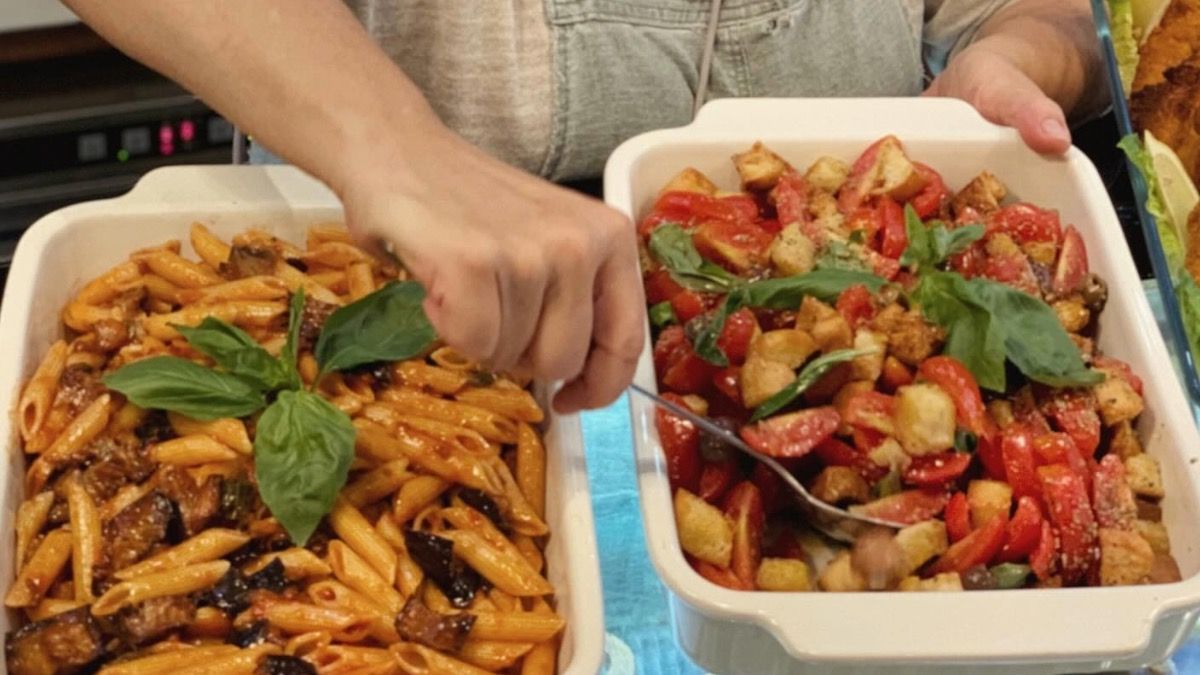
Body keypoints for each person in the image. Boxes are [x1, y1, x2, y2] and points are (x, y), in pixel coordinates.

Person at [63, 0, 1106, 413]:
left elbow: (1052, 13)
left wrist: (1022, 52)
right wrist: (393, 147)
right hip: (392, 295)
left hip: (852, 279)